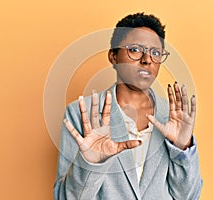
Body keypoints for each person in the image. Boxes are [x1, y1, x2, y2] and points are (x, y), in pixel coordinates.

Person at [54, 13, 203, 200]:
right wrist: (90, 164)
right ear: (113, 56)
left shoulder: (174, 118)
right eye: (135, 49)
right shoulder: (78, 114)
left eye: (155, 53)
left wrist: (183, 149)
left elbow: (189, 197)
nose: (147, 60)